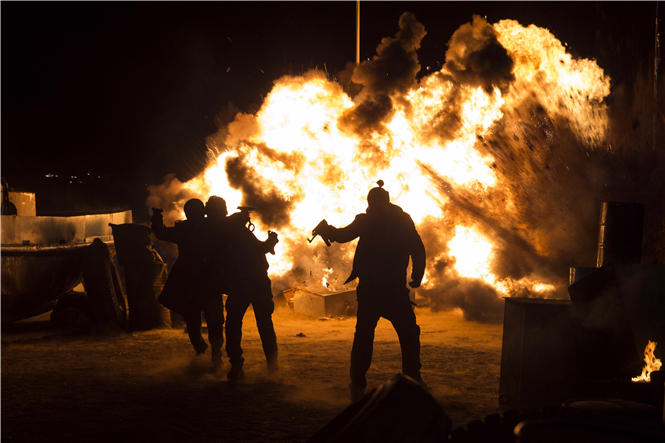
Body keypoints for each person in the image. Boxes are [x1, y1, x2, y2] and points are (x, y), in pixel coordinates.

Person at [313, 180, 426, 401]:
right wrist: (417, 275)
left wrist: (326, 229)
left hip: (374, 289)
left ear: (371, 203)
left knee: (367, 335)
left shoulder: (368, 220)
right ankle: (411, 377)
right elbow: (417, 248)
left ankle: (359, 382)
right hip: (390, 289)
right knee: (406, 334)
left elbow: (343, 235)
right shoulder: (401, 220)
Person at [151, 198, 224, 368]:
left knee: (193, 319)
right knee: (213, 319)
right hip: (208, 279)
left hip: (190, 279)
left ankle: (201, 350)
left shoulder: (184, 228)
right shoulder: (212, 226)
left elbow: (161, 233)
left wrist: (156, 216)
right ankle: (215, 355)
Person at [218, 201, 279, 380]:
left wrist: (269, 243)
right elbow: (259, 249)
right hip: (253, 282)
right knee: (263, 324)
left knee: (233, 324)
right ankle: (271, 365)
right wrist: (271, 241)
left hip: (239, 284)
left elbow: (256, 248)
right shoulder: (237, 230)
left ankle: (236, 365)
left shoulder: (227, 230)